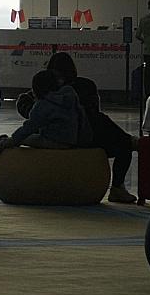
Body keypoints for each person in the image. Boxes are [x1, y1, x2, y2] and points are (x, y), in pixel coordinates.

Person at [45, 51, 137, 204]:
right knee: (125, 144)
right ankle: (117, 187)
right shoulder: (85, 85)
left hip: (68, 134)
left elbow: (28, 105)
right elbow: (94, 112)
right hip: (90, 133)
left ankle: (118, 186)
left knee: (120, 139)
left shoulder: (48, 89)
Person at [0, 69, 83, 163]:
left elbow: (28, 128)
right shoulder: (69, 96)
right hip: (71, 140)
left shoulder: (43, 105)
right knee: (19, 138)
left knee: (19, 139)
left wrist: (14, 139)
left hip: (54, 142)